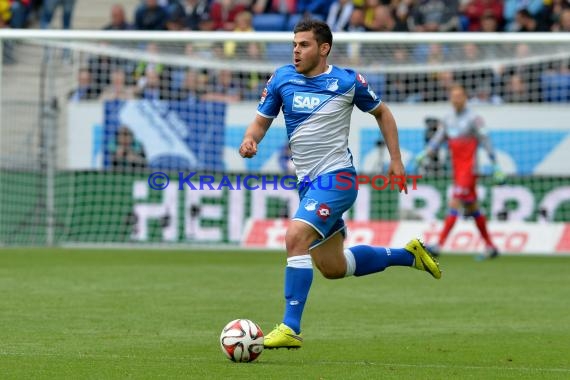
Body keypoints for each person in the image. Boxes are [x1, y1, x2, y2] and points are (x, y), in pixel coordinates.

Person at [239, 19, 441, 350]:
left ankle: (290, 327)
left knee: (295, 237)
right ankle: (408, 255)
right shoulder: (282, 79)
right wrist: (250, 140)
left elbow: (383, 113)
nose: (296, 51)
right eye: (294, 44)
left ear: (323, 48)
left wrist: (396, 160)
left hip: (337, 178)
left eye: (303, 45)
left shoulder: (347, 81)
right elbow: (260, 123)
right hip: (308, 185)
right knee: (333, 267)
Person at [416, 84, 505, 260]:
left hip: (470, 170)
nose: (456, 99)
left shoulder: (474, 119)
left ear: (465, 98)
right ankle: (490, 246)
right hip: (457, 170)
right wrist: (424, 154)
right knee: (473, 208)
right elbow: (438, 139)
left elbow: (486, 140)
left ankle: (439, 244)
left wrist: (495, 164)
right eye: (453, 96)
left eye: (459, 96)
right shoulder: (448, 119)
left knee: (455, 202)